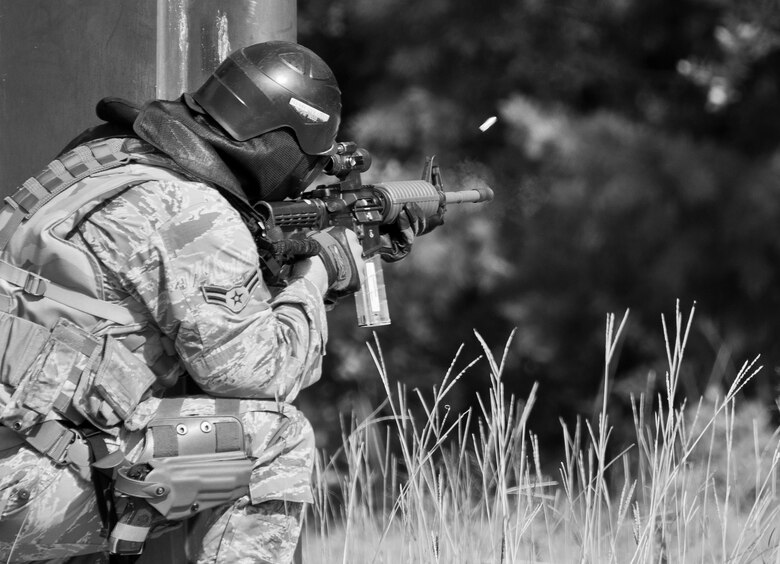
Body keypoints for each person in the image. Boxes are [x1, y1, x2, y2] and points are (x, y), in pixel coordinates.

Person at [0, 41, 436, 563]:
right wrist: (320, 272)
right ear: (285, 143)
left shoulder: (99, 160)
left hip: (18, 443)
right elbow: (257, 373)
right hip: (22, 488)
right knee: (277, 442)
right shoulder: (193, 212)